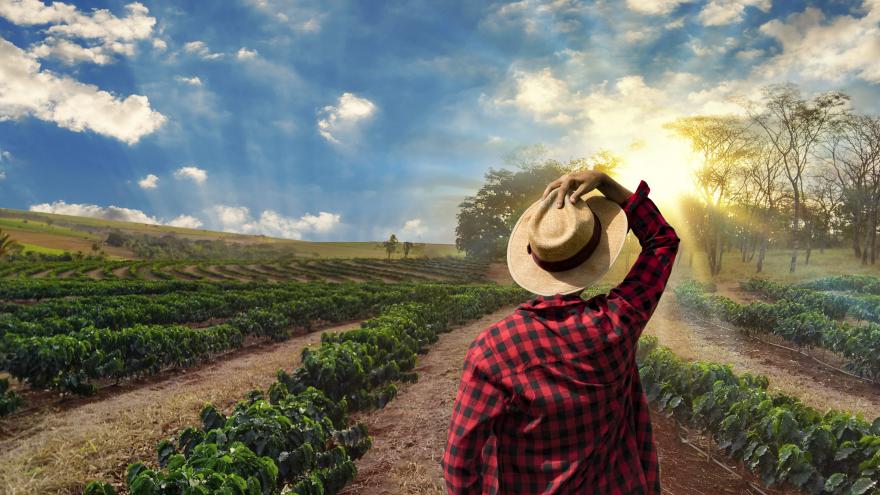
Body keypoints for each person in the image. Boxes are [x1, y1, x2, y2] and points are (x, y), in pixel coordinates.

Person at [442, 170, 680, 494]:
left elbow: (459, 464)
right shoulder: (618, 322)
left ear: (532, 256)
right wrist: (606, 183)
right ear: (597, 254)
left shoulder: (492, 351)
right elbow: (662, 241)